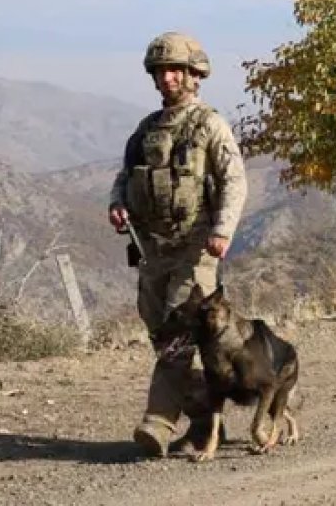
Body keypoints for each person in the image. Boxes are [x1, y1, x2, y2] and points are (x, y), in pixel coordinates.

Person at [107, 31, 248, 457]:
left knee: (177, 334)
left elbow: (234, 180)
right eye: (161, 70)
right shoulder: (147, 130)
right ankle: (208, 417)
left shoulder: (209, 124)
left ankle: (159, 422)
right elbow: (125, 175)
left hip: (195, 248)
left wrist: (222, 230)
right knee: (161, 332)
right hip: (152, 249)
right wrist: (117, 204)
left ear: (193, 74)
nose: (167, 77)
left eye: (175, 70)